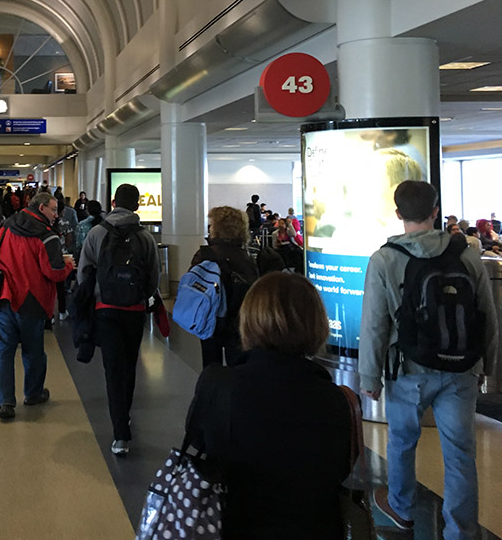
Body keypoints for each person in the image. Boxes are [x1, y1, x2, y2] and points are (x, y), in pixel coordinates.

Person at [360, 180, 498, 540]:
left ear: (398, 214)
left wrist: (369, 378)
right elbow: (488, 315)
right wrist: (488, 367)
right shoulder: (466, 254)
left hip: (408, 369)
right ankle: (460, 531)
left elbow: (375, 323)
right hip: (461, 369)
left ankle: (402, 508)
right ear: (436, 211)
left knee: (402, 441)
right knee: (460, 451)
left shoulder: (384, 259)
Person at [186, 272, 352, 540]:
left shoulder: (218, 384)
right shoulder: (337, 400)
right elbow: (340, 468)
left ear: (249, 321)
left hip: (236, 525)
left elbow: (199, 441)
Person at [76, 183, 159, 456]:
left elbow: (84, 271)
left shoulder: (98, 233)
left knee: (112, 368)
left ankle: (120, 434)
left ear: (113, 203)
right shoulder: (145, 237)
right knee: (129, 365)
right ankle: (125, 416)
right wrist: (141, 297)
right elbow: (153, 276)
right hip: (134, 311)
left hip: (105, 309)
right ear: (137, 205)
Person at [0, 192, 73, 420]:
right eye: (53, 210)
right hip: (32, 301)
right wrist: (68, 266)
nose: (56, 215)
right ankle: (33, 393)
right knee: (33, 352)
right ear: (41, 208)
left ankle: (5, 402)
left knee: (4, 352)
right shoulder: (47, 237)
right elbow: (53, 272)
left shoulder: (4, 227)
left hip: (3, 298)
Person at [190, 206, 259, 368]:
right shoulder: (248, 258)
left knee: (210, 366)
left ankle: (210, 392)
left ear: (219, 228)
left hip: (210, 320)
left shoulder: (205, 255)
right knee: (238, 369)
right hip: (239, 323)